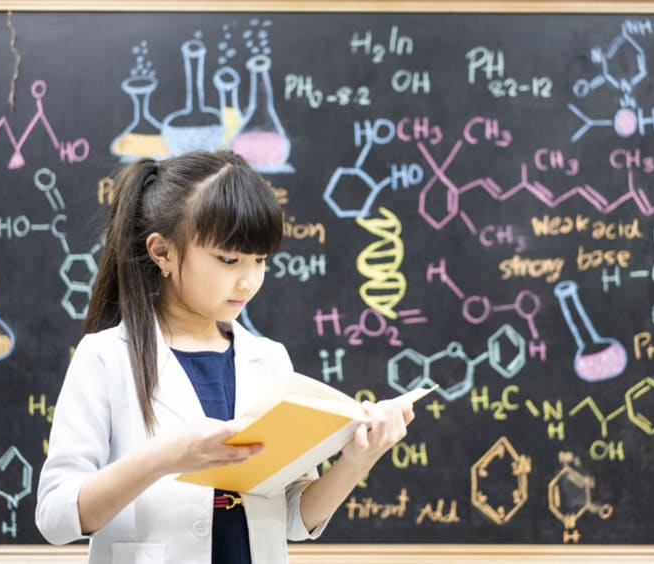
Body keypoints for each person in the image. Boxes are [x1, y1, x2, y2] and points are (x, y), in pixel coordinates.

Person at [35, 150, 415, 564]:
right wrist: (164, 458)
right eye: (229, 259)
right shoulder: (106, 358)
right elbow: (55, 517)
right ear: (163, 252)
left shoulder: (269, 360)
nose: (249, 279)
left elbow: (292, 518)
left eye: (260, 260)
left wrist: (360, 457)